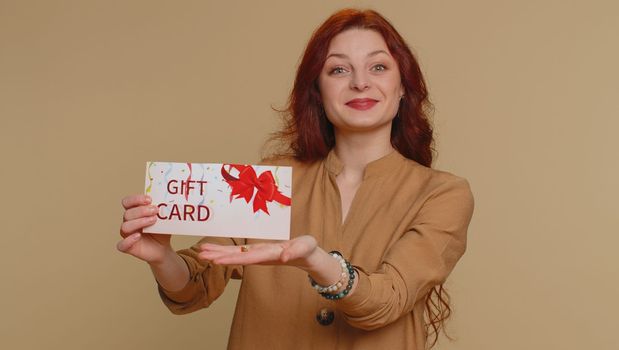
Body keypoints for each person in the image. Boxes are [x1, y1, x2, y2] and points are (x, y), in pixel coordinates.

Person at [118, 8, 474, 350]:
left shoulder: (443, 194)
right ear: (317, 93)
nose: (360, 82)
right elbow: (195, 285)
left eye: (378, 67)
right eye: (338, 70)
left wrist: (318, 262)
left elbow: (387, 301)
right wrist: (161, 256)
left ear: (402, 87)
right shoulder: (271, 181)